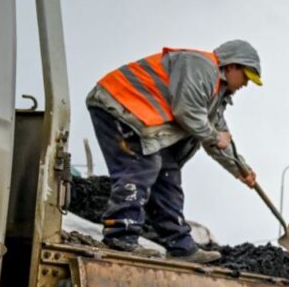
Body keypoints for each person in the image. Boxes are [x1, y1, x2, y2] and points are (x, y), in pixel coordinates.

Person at [86, 40, 262, 264]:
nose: (246, 84)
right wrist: (215, 136)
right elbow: (187, 112)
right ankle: (120, 236)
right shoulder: (200, 66)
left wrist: (241, 169)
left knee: (168, 173)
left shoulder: (217, 93)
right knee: (142, 165)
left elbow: (217, 138)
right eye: (246, 76)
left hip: (145, 122)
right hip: (119, 103)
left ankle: (181, 247)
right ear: (232, 65)